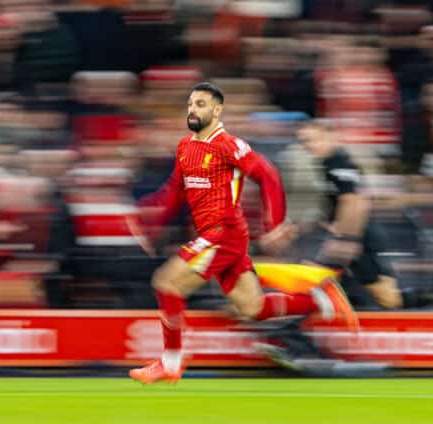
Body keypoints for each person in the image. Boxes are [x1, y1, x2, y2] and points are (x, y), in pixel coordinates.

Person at [129, 82, 359, 384]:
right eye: (190, 104)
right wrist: (150, 221)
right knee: (253, 307)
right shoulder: (186, 147)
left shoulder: (228, 145)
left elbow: (267, 174)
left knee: (166, 282)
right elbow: (175, 191)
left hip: (222, 233)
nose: (193, 110)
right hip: (214, 235)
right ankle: (320, 299)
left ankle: (170, 364)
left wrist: (273, 224)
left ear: (217, 110)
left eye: (200, 104)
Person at [295, 119, 403, 310]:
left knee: (382, 294)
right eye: (305, 141)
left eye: (314, 140)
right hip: (355, 237)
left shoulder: (339, 163)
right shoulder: (328, 164)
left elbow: (355, 202)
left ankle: (423, 313)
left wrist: (346, 240)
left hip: (358, 238)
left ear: (332, 137)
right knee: (378, 290)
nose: (309, 146)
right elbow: (337, 205)